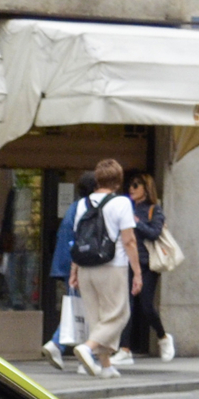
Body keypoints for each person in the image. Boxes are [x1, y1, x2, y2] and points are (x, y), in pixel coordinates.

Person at [67, 157, 139, 377]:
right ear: (118, 181)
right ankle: (87, 349)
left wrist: (74, 270)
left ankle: (106, 366)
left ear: (97, 179)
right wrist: (137, 272)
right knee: (118, 314)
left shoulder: (81, 204)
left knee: (96, 317)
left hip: (87, 266)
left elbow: (80, 239)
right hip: (112, 265)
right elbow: (129, 241)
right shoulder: (122, 203)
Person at [120, 172, 176, 364]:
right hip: (127, 262)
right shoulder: (125, 207)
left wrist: (137, 223)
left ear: (146, 188)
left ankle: (163, 337)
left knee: (146, 307)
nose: (131, 189)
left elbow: (154, 233)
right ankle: (125, 349)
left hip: (147, 265)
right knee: (127, 305)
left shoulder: (154, 209)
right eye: (130, 185)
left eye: (136, 185)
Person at [40, 189, 79, 369]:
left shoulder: (73, 207)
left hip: (66, 263)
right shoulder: (86, 208)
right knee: (83, 309)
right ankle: (58, 344)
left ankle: (59, 344)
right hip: (78, 265)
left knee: (77, 308)